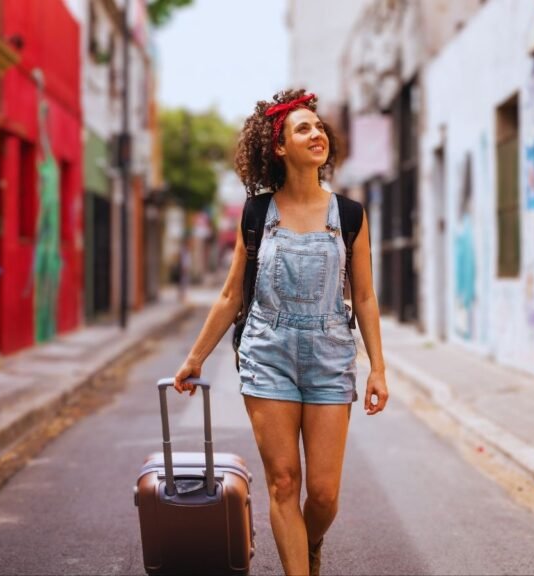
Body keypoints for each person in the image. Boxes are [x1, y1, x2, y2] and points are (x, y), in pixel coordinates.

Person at [173, 89, 389, 576]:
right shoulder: (256, 214)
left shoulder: (349, 215)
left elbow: (366, 297)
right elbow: (232, 297)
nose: (317, 134)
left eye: (319, 127)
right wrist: (194, 357)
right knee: (284, 483)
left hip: (331, 354)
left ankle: (306, 545)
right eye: (303, 129)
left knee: (325, 494)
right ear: (278, 147)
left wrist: (378, 367)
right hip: (266, 352)